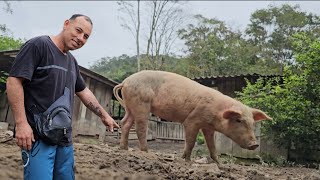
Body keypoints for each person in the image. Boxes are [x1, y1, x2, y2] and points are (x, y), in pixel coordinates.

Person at [6, 14, 120, 180]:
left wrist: (104, 115)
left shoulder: (72, 61)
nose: (80, 38)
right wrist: (21, 124)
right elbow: (14, 81)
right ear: (66, 24)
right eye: (78, 30)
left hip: (64, 138)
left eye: (86, 36)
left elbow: (84, 91)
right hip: (38, 136)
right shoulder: (39, 45)